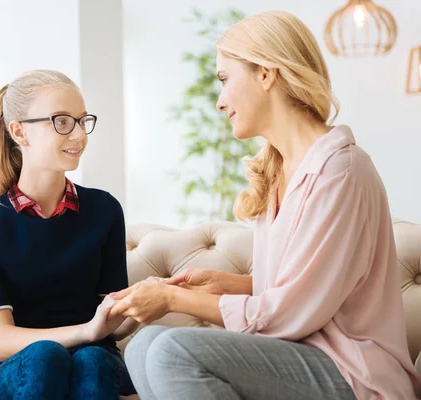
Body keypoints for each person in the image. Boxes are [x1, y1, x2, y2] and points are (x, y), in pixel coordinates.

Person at [108, 10, 421, 400]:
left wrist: (173, 298)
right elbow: (314, 287)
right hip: (298, 356)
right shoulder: (279, 170)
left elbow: (293, 312)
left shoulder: (341, 171)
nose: (220, 102)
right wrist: (226, 285)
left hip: (353, 374)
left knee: (172, 351)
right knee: (142, 345)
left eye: (224, 80)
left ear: (266, 74)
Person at [0, 69, 138, 400]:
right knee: (47, 354)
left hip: (97, 360)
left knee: (94, 358)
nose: (78, 135)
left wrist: (140, 309)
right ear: (19, 132)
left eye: (82, 121)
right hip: (20, 367)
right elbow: (1, 343)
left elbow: (113, 322)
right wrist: (87, 331)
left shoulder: (104, 210)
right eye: (61, 121)